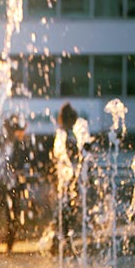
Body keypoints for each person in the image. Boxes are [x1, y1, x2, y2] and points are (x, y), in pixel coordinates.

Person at [0, 115, 30, 253]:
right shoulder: (3, 144)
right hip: (1, 185)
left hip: (12, 185)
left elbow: (19, 165)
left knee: (11, 214)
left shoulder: (17, 146)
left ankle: (9, 244)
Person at [51, 102, 79, 255]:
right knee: (66, 214)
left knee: (63, 214)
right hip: (68, 183)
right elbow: (71, 159)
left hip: (64, 182)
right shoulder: (67, 136)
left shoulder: (63, 135)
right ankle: (60, 245)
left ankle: (60, 245)